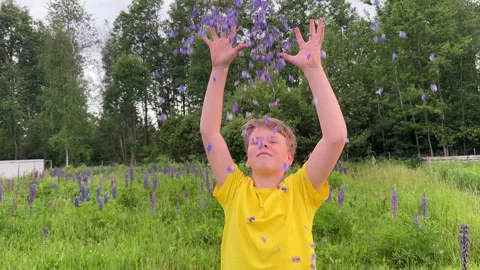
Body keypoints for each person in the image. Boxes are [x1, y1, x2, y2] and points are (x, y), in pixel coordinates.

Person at [199, 18, 348, 270]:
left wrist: (314, 70)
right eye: (255, 141)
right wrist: (219, 69)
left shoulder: (301, 191)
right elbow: (209, 132)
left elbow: (335, 137)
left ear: (290, 157)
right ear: (246, 157)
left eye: (272, 140)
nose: (262, 144)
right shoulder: (234, 189)